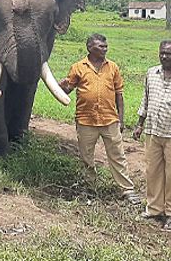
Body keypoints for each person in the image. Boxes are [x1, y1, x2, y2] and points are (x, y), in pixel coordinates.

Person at [58, 34, 141, 204]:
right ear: (89, 48)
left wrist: (121, 119)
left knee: (117, 155)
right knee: (86, 157)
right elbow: (68, 90)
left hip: (110, 119)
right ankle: (90, 188)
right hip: (85, 120)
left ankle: (127, 189)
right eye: (100, 47)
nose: (105, 49)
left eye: (105, 46)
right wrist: (61, 86)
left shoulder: (113, 68)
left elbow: (119, 94)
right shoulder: (78, 67)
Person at [133, 40, 171, 231]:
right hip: (153, 131)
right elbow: (146, 99)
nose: (164, 56)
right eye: (162, 53)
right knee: (153, 172)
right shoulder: (152, 73)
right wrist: (139, 125)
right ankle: (154, 209)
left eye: (169, 53)